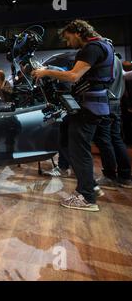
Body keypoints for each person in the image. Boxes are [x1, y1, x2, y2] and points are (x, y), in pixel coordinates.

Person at [32, 19, 116, 212]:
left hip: (89, 107)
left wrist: (46, 72)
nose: (68, 43)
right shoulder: (104, 45)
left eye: (68, 38)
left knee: (79, 149)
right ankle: (91, 185)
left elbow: (73, 76)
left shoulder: (92, 48)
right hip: (90, 105)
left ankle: (87, 196)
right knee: (65, 139)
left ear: (78, 32)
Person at [92, 55, 132, 189]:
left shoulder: (103, 59)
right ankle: (125, 176)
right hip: (116, 102)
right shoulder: (116, 60)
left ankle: (109, 176)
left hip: (106, 102)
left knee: (104, 139)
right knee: (116, 139)